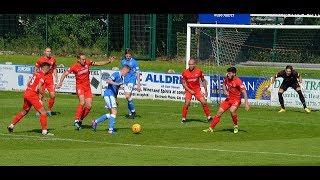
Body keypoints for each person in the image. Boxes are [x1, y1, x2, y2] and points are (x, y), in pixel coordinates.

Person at [57, 53, 116, 130]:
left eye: (85, 59)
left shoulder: (87, 63)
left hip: (87, 87)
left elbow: (98, 63)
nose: (84, 61)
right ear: (78, 60)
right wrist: (60, 82)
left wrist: (108, 61)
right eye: (82, 59)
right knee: (82, 102)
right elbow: (65, 74)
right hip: (80, 87)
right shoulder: (74, 66)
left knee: (89, 105)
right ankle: (76, 119)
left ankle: (80, 120)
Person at [7, 62, 54, 136]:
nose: (49, 70)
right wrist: (44, 96)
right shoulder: (42, 76)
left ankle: (11, 125)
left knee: (24, 111)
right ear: (45, 68)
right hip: (32, 95)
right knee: (43, 112)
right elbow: (39, 87)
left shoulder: (36, 74)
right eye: (49, 68)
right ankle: (44, 131)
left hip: (27, 93)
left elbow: (29, 83)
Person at [203, 66, 250, 134]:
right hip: (229, 99)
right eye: (228, 73)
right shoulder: (227, 78)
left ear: (234, 73)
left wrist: (246, 103)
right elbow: (223, 85)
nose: (228, 74)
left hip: (236, 100)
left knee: (232, 110)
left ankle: (235, 126)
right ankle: (211, 128)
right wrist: (225, 90)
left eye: (230, 73)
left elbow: (244, 92)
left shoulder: (238, 81)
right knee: (219, 112)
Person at [91, 65, 131, 134]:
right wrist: (117, 83)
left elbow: (116, 90)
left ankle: (95, 122)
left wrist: (115, 99)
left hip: (111, 95)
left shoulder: (121, 78)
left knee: (111, 113)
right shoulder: (116, 74)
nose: (127, 74)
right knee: (114, 112)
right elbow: (109, 81)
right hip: (109, 94)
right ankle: (110, 130)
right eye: (127, 72)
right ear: (124, 70)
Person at [181, 58, 212, 123]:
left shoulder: (199, 71)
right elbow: (183, 84)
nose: (190, 66)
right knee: (187, 103)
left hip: (197, 89)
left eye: (191, 64)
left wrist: (206, 91)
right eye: (189, 64)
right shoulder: (185, 72)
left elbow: (203, 81)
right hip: (188, 89)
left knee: (204, 102)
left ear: (194, 64)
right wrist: (190, 90)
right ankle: (183, 118)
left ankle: (209, 117)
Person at [34, 47, 58, 116]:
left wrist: (56, 77)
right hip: (42, 79)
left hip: (50, 80)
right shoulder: (40, 60)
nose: (49, 53)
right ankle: (38, 111)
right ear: (44, 52)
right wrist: (35, 76)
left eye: (50, 51)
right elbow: (36, 68)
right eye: (47, 51)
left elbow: (54, 69)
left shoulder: (53, 60)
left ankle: (49, 110)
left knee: (53, 95)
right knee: (40, 96)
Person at [121, 49, 141, 119]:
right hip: (125, 81)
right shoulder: (123, 61)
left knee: (127, 96)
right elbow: (123, 71)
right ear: (125, 55)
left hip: (131, 80)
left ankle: (133, 111)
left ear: (131, 56)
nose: (128, 57)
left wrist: (138, 84)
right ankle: (130, 115)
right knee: (128, 98)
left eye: (129, 56)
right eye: (127, 56)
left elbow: (138, 73)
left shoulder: (134, 62)